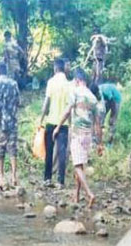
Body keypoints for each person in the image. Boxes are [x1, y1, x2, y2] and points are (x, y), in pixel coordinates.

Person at [53, 68, 103, 208]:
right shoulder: (93, 97)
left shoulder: (74, 92)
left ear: (77, 80)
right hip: (88, 135)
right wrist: (100, 143)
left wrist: (58, 127)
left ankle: (89, 193)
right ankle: (76, 195)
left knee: (77, 165)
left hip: (77, 133)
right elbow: (98, 124)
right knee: (80, 165)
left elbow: (68, 111)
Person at [38, 58, 71, 187]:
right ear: (63, 68)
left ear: (55, 68)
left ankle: (47, 178)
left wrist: (41, 118)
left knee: (49, 151)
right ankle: (60, 181)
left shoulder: (51, 82)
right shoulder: (69, 85)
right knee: (62, 152)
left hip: (51, 121)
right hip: (63, 124)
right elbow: (70, 107)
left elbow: (46, 103)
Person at [0, 62, 20, 190]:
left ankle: (1, 175)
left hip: (2, 120)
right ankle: (14, 176)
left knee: (1, 147)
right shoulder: (14, 84)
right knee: (13, 147)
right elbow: (18, 101)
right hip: (13, 120)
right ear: (6, 71)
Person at [98, 81, 122, 145]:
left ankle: (110, 141)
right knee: (101, 117)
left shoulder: (106, 90)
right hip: (108, 99)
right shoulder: (98, 91)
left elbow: (112, 102)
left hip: (116, 100)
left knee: (112, 121)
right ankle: (100, 139)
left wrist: (113, 113)